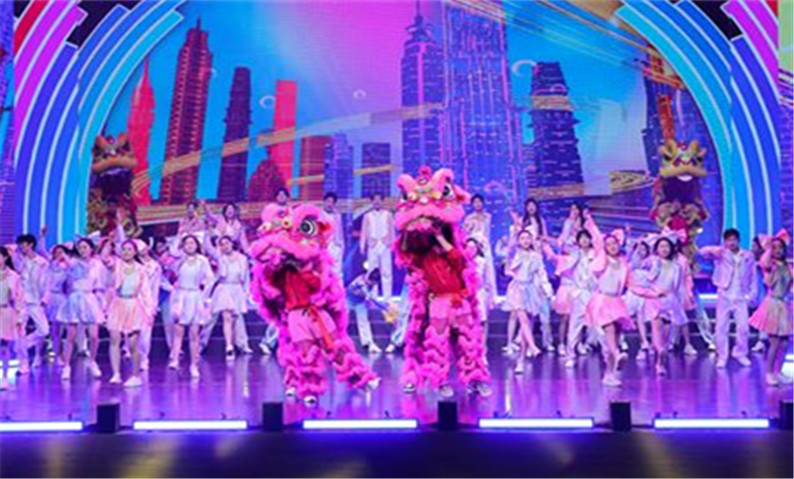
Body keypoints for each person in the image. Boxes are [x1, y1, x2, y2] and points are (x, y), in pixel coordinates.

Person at [698, 229, 758, 368]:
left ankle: (740, 353)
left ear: (738, 240)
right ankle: (722, 356)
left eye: (733, 239)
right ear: (725, 241)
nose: (731, 242)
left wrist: (753, 293)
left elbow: (753, 275)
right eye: (728, 240)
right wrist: (714, 249)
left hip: (740, 295)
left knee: (743, 327)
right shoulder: (721, 253)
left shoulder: (747, 255)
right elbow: (702, 252)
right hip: (724, 293)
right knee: (721, 327)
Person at [584, 226, 634, 387]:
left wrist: (653, 293)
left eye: (615, 243)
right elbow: (597, 238)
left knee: (615, 337)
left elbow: (632, 284)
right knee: (610, 330)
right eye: (609, 244)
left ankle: (609, 374)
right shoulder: (602, 260)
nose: (612, 246)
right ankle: (617, 355)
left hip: (617, 301)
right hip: (602, 300)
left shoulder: (624, 264)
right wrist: (589, 222)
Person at [634, 236, 688, 376]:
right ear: (657, 249)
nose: (664, 249)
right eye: (661, 246)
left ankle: (660, 357)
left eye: (666, 246)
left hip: (670, 301)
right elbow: (643, 274)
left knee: (666, 332)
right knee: (656, 328)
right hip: (655, 300)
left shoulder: (677, 267)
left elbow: (677, 286)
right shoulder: (652, 263)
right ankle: (660, 354)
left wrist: (679, 301)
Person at [106, 240, 154, 387]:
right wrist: (108, 240)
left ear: (135, 252)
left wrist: (149, 312)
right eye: (124, 249)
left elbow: (146, 292)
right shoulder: (117, 265)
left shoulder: (141, 269)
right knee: (114, 339)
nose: (126, 252)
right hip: (118, 304)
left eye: (129, 249)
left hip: (133, 306)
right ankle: (116, 373)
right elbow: (105, 259)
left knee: (133, 344)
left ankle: (135, 375)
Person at [167, 234, 215, 378]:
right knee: (178, 332)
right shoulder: (180, 260)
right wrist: (179, 236)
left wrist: (204, 294)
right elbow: (172, 267)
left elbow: (210, 279)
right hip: (181, 296)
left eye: (192, 243)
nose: (190, 246)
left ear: (197, 245)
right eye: (187, 243)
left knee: (194, 334)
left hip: (195, 297)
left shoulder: (202, 260)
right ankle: (175, 359)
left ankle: (194, 365)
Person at [749, 231, 793, 386]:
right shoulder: (770, 265)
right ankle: (768, 373)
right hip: (773, 304)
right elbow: (766, 271)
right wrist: (768, 250)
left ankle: (778, 371)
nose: (778, 250)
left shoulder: (788, 266)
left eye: (780, 247)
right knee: (774, 342)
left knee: (785, 343)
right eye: (774, 248)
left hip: (784, 305)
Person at [59, 238, 106, 381]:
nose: (82, 250)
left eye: (85, 247)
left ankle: (92, 361)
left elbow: (100, 284)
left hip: (90, 299)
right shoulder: (73, 262)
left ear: (91, 248)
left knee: (94, 335)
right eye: (80, 247)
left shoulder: (97, 264)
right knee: (71, 336)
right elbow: (63, 267)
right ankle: (66, 366)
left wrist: (102, 303)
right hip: (75, 298)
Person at [503, 229, 546, 374]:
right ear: (518, 241)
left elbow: (541, 274)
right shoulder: (514, 254)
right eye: (522, 238)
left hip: (531, 289)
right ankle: (533, 347)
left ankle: (521, 360)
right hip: (517, 289)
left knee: (526, 325)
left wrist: (546, 289)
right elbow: (507, 268)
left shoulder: (536, 256)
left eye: (528, 238)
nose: (525, 241)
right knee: (522, 318)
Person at [203, 235, 251, 359]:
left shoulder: (242, 259)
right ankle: (228, 346)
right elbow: (208, 247)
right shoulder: (220, 258)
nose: (225, 246)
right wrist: (207, 231)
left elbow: (246, 278)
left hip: (236, 289)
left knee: (235, 319)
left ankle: (236, 344)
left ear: (232, 244)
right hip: (224, 288)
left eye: (227, 243)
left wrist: (246, 293)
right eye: (222, 244)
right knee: (227, 317)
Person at [13, 234, 49, 373]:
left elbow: (47, 282)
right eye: (20, 245)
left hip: (35, 300)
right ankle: (23, 364)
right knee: (19, 331)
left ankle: (22, 345)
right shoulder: (19, 260)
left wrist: (45, 299)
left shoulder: (42, 263)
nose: (21, 247)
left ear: (31, 245)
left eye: (24, 244)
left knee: (44, 330)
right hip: (21, 302)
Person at [347, 268, 394, 354]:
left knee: (364, 321)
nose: (374, 285)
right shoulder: (362, 284)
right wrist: (385, 308)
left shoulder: (368, 280)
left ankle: (368, 343)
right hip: (348, 300)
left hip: (359, 301)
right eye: (374, 283)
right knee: (343, 319)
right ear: (373, 281)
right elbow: (373, 300)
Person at [463, 194, 497, 311]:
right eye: (475, 202)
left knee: (489, 271)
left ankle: (491, 299)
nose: (477, 204)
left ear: (483, 203)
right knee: (477, 270)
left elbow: (487, 232)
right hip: (474, 246)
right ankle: (475, 296)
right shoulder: (469, 218)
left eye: (479, 202)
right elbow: (465, 233)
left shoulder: (488, 217)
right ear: (472, 205)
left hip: (485, 245)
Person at [0, 246, 25, 390]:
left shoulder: (14, 276)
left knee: (4, 346)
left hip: (6, 312)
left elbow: (20, 298)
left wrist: (20, 317)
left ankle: (4, 376)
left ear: (5, 257)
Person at [360, 193, 393, 299]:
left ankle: (387, 298)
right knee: (372, 272)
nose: (377, 202)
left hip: (385, 245)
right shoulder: (367, 216)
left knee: (386, 272)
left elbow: (392, 230)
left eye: (379, 199)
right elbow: (364, 232)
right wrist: (362, 246)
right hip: (372, 245)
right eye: (375, 199)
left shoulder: (388, 214)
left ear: (382, 201)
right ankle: (373, 297)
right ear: (372, 201)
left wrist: (391, 244)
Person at [322, 192, 345, 278]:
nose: (330, 204)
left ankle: (337, 286)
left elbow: (340, 231)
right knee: (325, 270)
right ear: (324, 202)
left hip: (336, 246)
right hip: (325, 246)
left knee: (337, 271)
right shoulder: (319, 215)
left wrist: (342, 246)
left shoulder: (337, 216)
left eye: (332, 202)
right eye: (328, 201)